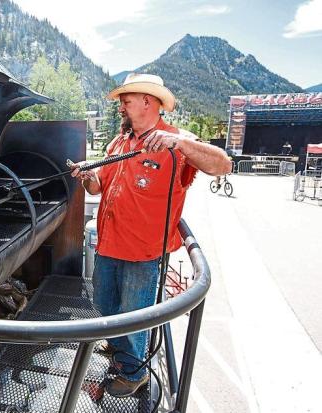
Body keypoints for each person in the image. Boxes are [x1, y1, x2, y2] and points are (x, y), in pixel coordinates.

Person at [71, 73, 232, 397]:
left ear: (148, 101)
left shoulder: (177, 139)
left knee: (134, 315)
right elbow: (98, 186)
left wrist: (181, 143)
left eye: (126, 100)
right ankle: (120, 354)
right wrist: (88, 176)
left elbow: (223, 165)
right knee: (105, 305)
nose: (121, 106)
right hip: (108, 246)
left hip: (143, 253)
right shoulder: (119, 143)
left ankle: (133, 374)